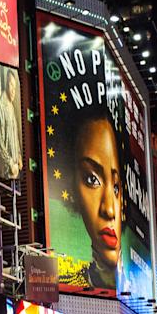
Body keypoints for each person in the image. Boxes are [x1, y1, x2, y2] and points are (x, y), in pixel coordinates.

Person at [69, 113, 121, 290]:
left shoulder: (138, 286)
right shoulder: (71, 277)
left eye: (116, 188)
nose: (110, 210)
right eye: (92, 180)